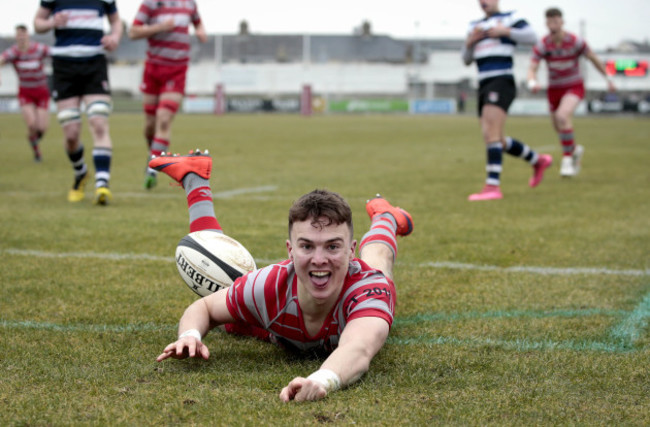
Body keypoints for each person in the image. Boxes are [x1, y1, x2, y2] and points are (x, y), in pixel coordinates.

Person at [150, 150, 414, 402]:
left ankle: (386, 217)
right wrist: (190, 336)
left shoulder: (369, 291)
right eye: (307, 246)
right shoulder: (267, 285)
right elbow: (205, 306)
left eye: (333, 246)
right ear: (290, 251)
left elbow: (358, 349)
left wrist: (323, 379)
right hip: (279, 333)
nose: (319, 259)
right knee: (222, 283)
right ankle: (195, 180)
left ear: (350, 251)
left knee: (378, 260)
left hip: (359, 284)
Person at [462, 0, 553, 201]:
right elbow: (466, 59)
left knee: (492, 133)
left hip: (501, 79)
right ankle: (538, 161)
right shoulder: (474, 25)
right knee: (494, 138)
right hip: (483, 83)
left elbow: (532, 37)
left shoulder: (510, 18)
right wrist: (470, 43)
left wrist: (506, 32)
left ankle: (492, 186)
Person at [34, 0, 122, 205]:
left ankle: (102, 185)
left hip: (94, 63)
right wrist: (51, 22)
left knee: (99, 122)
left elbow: (116, 22)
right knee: (71, 134)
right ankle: (81, 172)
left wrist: (115, 37)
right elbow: (38, 23)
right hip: (64, 66)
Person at [527, 7, 616, 177]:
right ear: (546, 23)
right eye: (549, 21)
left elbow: (594, 59)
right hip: (554, 88)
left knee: (563, 116)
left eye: (556, 20)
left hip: (573, 86)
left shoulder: (575, 41)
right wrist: (532, 82)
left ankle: (567, 161)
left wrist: (609, 79)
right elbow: (533, 67)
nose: (553, 24)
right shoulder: (543, 44)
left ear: (562, 21)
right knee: (557, 126)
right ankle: (574, 149)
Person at [128, 0, 207, 190]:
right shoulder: (150, 4)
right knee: (149, 126)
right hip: (153, 69)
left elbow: (198, 22)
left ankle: (152, 171)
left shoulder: (189, 4)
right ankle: (153, 154)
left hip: (177, 70)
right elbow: (133, 32)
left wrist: (201, 31)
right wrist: (160, 27)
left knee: (163, 119)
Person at [0, 24, 50, 162]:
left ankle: (33, 139)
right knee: (31, 124)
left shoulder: (39, 49)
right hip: (25, 93)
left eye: (23, 34)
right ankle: (37, 154)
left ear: (28, 35)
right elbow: (2, 59)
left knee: (42, 128)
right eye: (18, 35)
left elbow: (55, 54)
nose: (21, 38)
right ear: (16, 37)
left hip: (42, 92)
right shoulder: (14, 52)